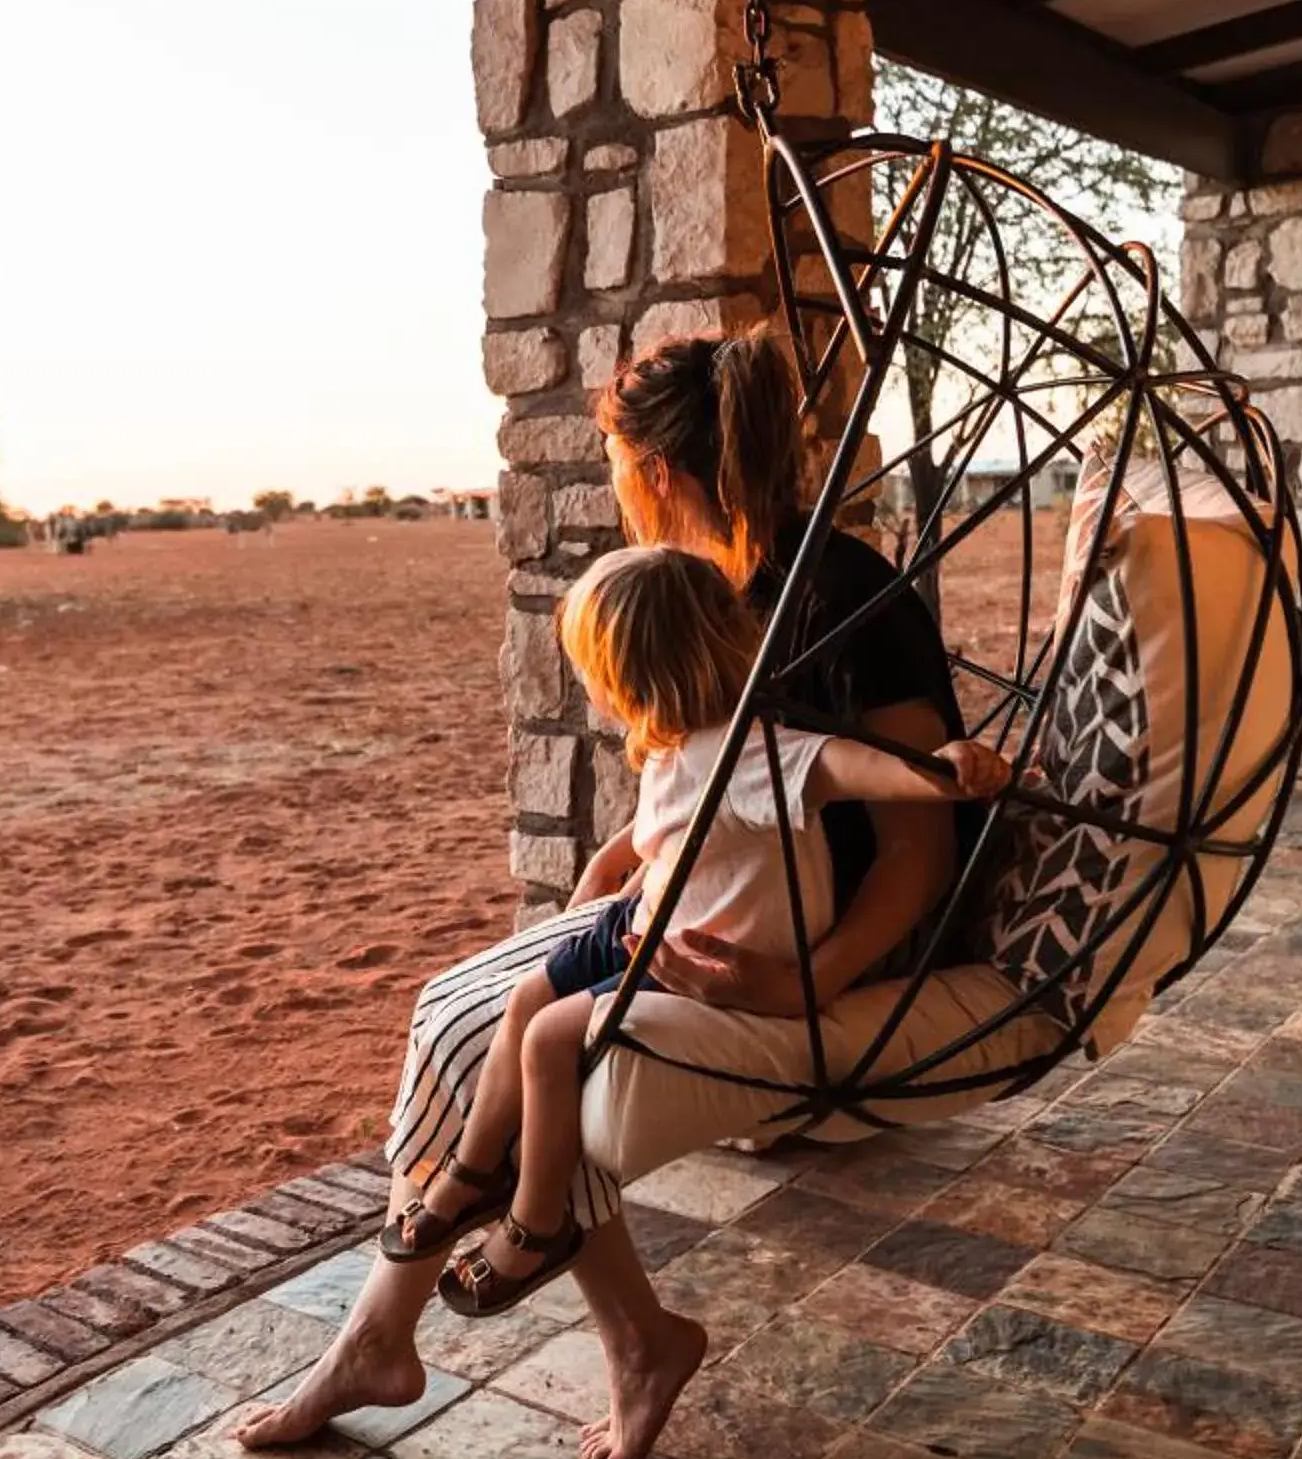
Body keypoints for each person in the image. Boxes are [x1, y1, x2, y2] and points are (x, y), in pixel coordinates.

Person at [238, 328, 1064, 1459]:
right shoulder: (725, 588)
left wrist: (805, 982)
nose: (620, 492)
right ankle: (546, 1333)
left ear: (658, 472)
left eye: (618, 468)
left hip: (842, 941)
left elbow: (914, 843)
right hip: (719, 904)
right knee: (463, 1004)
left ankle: (443, 1322)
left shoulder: (835, 597)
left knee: (504, 1032)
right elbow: (715, 768)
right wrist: (629, 845)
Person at [391, 543, 1010, 1317]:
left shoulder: (754, 755)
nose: (587, 685)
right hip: (651, 918)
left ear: (628, 674)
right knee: (522, 1001)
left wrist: (941, 769)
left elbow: (858, 769)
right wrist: (611, 872)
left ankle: (537, 1224)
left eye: (589, 668)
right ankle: (474, 1173)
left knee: (550, 1040)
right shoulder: (678, 743)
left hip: (705, 952)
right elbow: (672, 832)